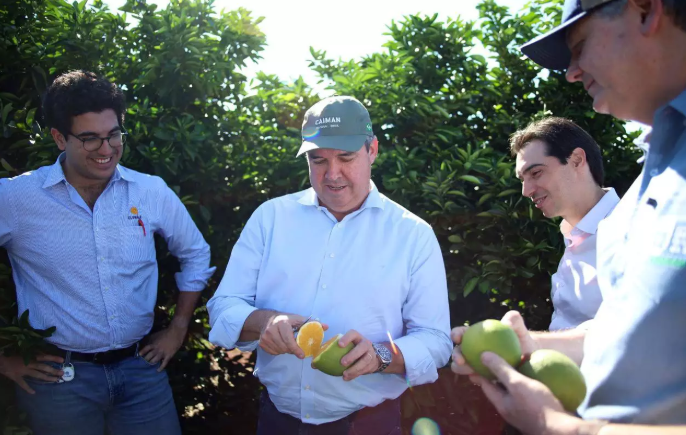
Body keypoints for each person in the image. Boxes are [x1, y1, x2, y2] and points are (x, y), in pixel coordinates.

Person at [451, 0, 686, 434]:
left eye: (580, 46)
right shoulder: (650, 187)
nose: (571, 72)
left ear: (644, 10)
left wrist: (559, 426)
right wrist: (527, 345)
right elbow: (620, 335)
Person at [207, 96, 452, 435]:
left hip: (369, 425)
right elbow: (222, 307)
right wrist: (264, 322)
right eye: (318, 159)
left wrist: (381, 356)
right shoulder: (271, 218)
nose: (332, 174)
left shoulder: (413, 234)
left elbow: (436, 340)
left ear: (372, 150)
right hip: (278, 420)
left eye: (346, 157)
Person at [0, 70, 216, 435]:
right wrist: (3, 360)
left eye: (114, 134)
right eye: (89, 138)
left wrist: (179, 328)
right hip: (59, 382)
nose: (106, 149)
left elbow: (195, 254)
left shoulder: (150, 191)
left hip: (142, 371)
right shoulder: (16, 198)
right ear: (58, 138)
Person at [511, 117, 619, 331]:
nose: (526, 191)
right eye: (522, 179)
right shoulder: (573, 234)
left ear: (577, 160)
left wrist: (532, 344)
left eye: (536, 173)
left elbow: (628, 333)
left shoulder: (631, 231)